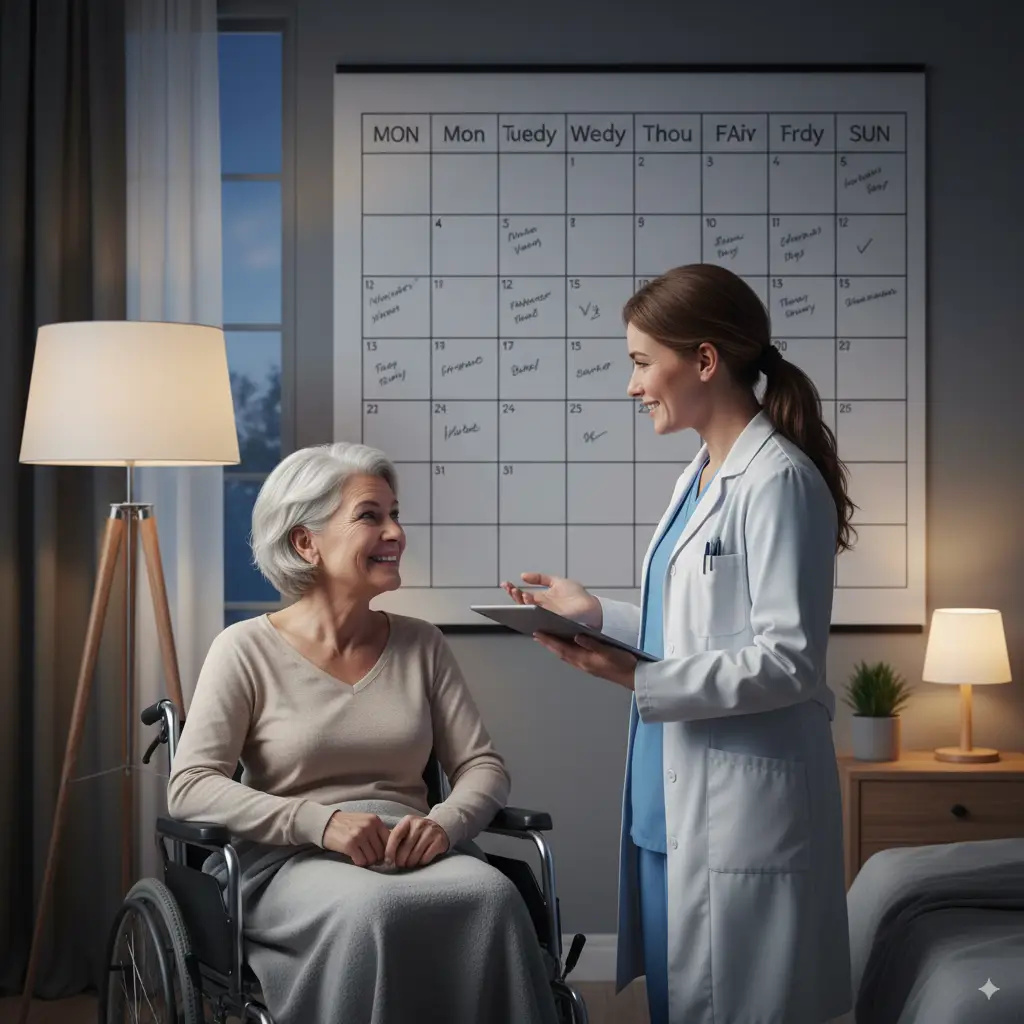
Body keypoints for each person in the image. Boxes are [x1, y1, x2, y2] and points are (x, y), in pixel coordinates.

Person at [502, 264, 854, 1024]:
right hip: (668, 806)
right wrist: (595, 613)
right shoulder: (699, 476)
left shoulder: (778, 482)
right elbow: (688, 627)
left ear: (703, 361)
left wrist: (637, 680)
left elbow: (789, 661)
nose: (631, 387)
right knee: (680, 1003)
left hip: (737, 810)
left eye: (639, 362)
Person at [167, 442, 559, 1024]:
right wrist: (321, 823)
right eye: (371, 516)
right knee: (372, 911)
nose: (396, 532)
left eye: (395, 514)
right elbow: (191, 786)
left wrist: (444, 825)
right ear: (306, 542)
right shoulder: (244, 649)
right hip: (289, 860)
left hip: (410, 848)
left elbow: (483, 766)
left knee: (494, 896)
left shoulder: (421, 643)